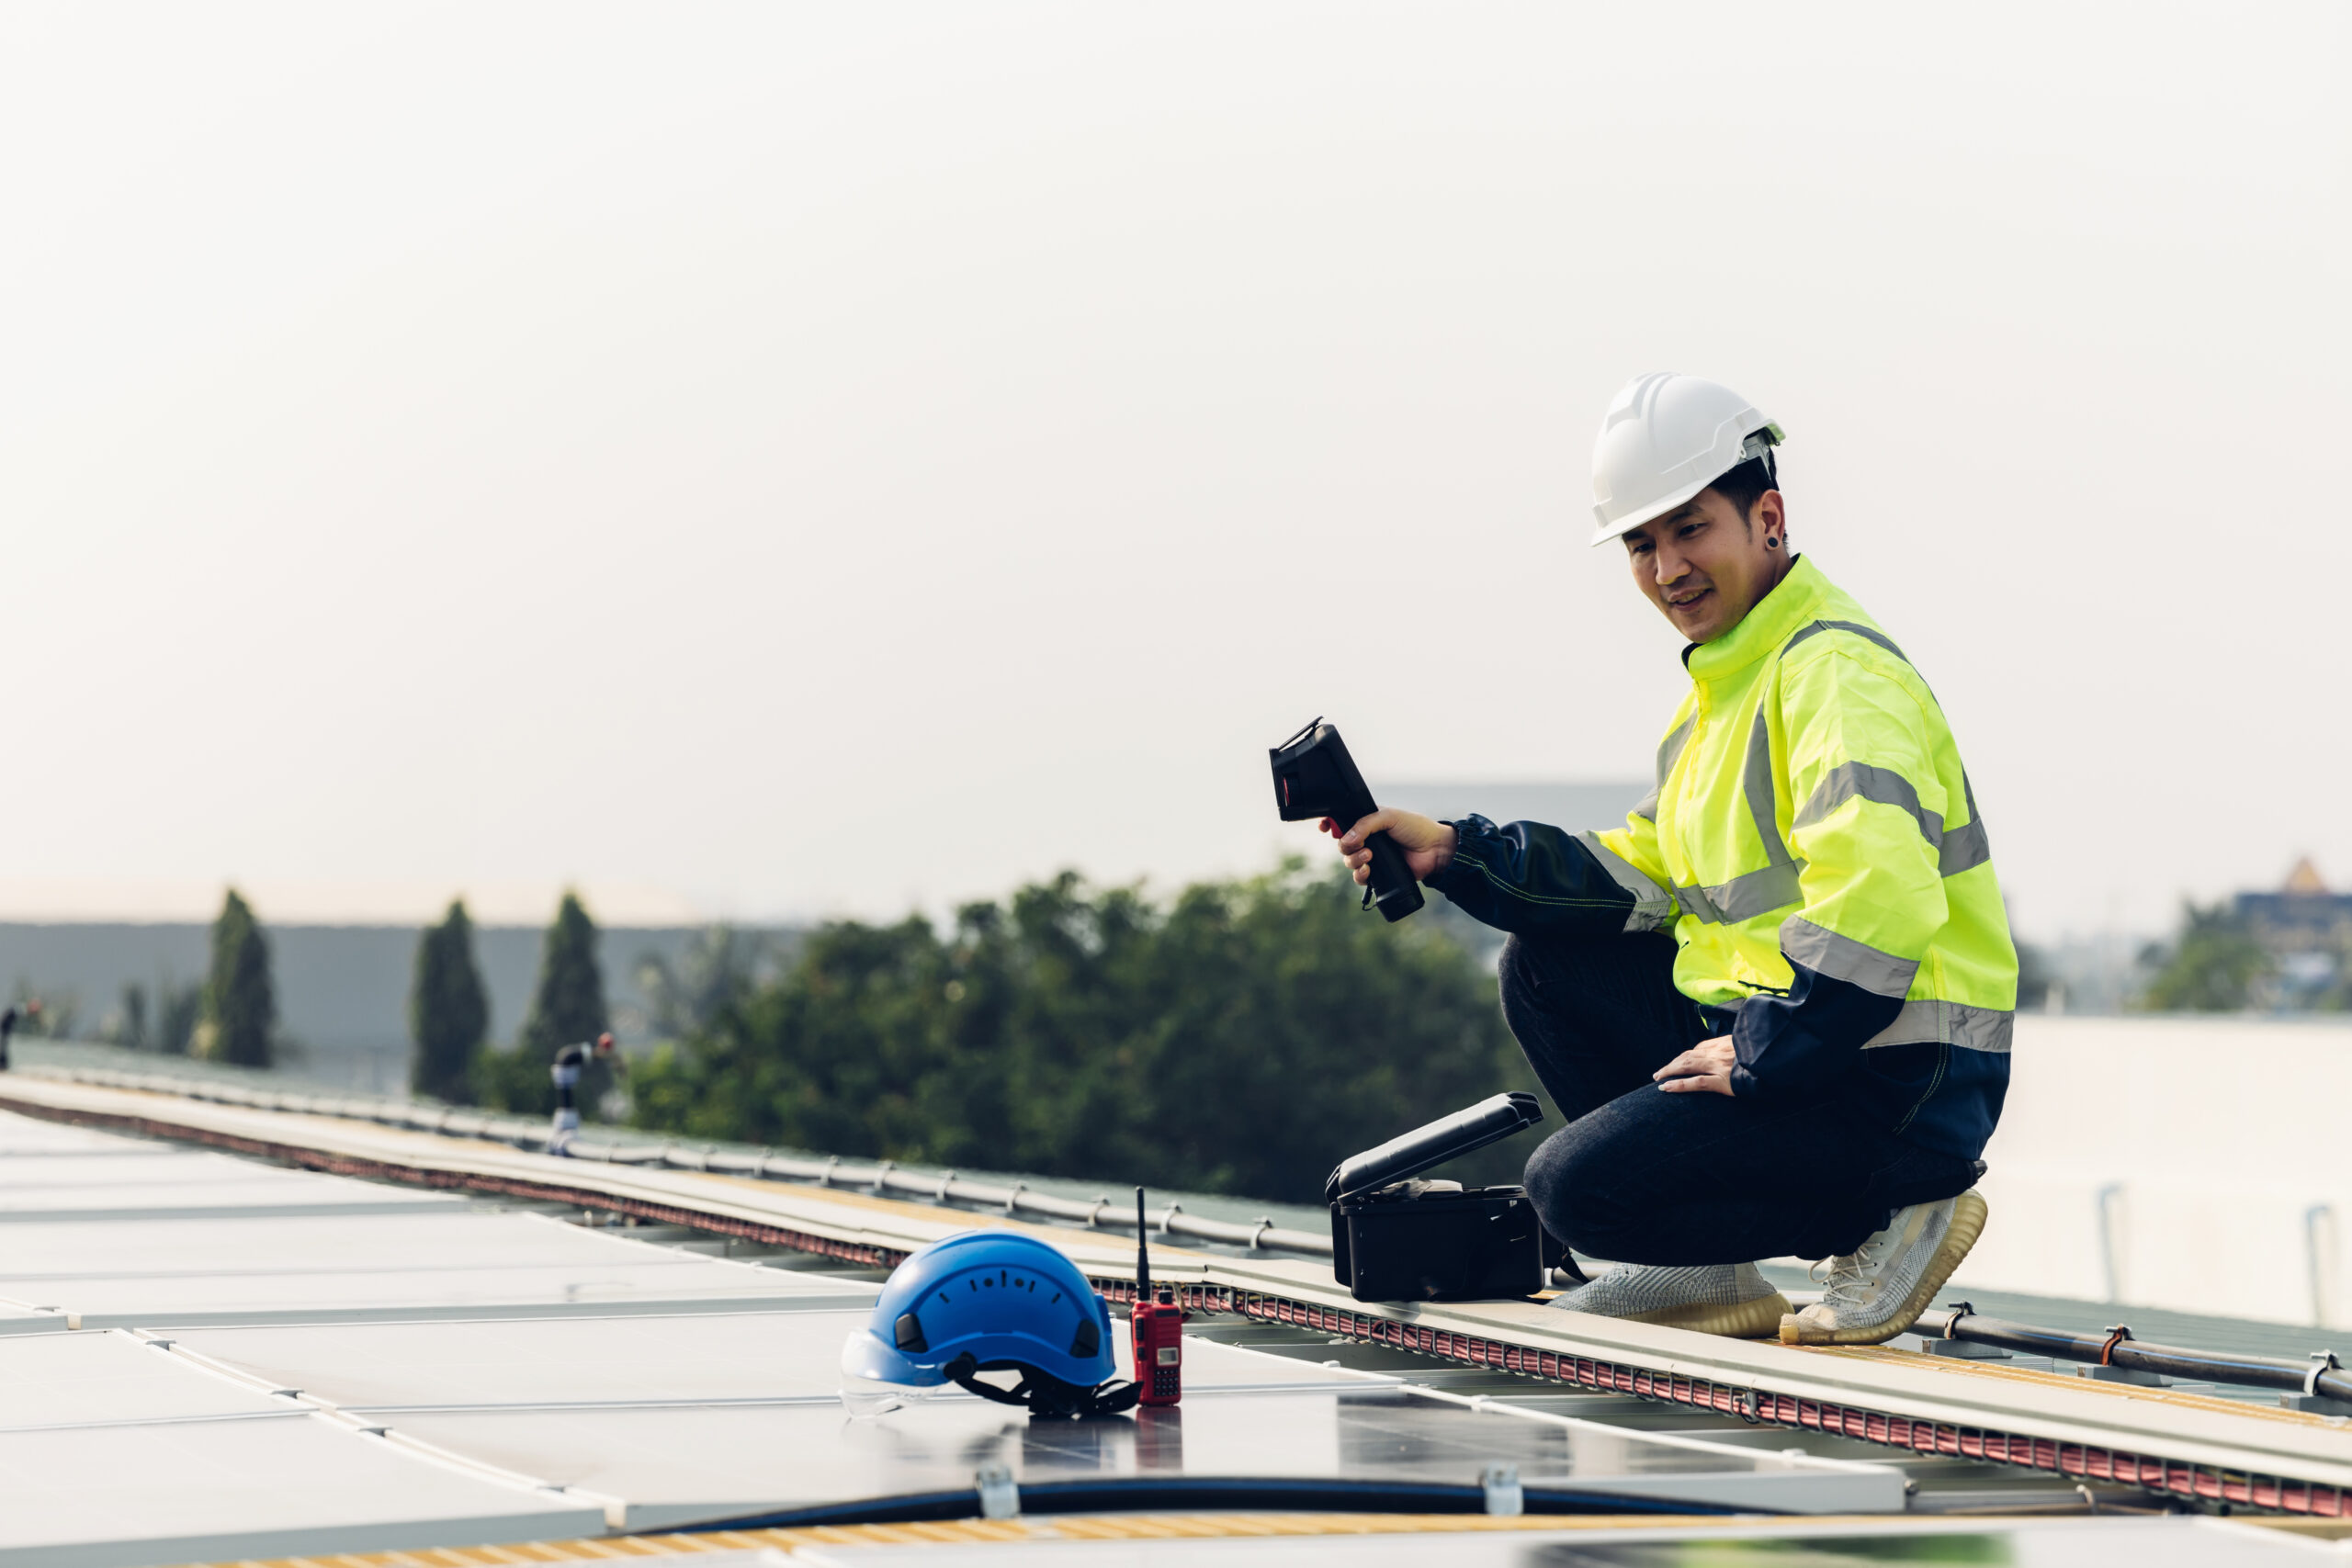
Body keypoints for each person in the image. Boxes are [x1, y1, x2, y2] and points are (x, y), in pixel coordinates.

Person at [1326, 372, 2014, 1345]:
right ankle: (1704, 1279)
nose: (1665, 568)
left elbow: (1878, 906)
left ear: (1765, 519)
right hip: (1809, 1043)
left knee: (1573, 1190)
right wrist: (1454, 854)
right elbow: (1644, 876)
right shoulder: (1728, 686)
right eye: (1642, 545)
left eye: (1690, 530)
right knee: (1546, 967)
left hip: (1895, 1080)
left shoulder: (1833, 676)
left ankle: (1900, 1209)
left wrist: (1759, 1055)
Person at [548, 1031, 620, 1156]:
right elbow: (566, 1057)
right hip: (565, 1123)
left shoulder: (580, 1054)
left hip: (566, 1121)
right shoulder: (580, 1053)